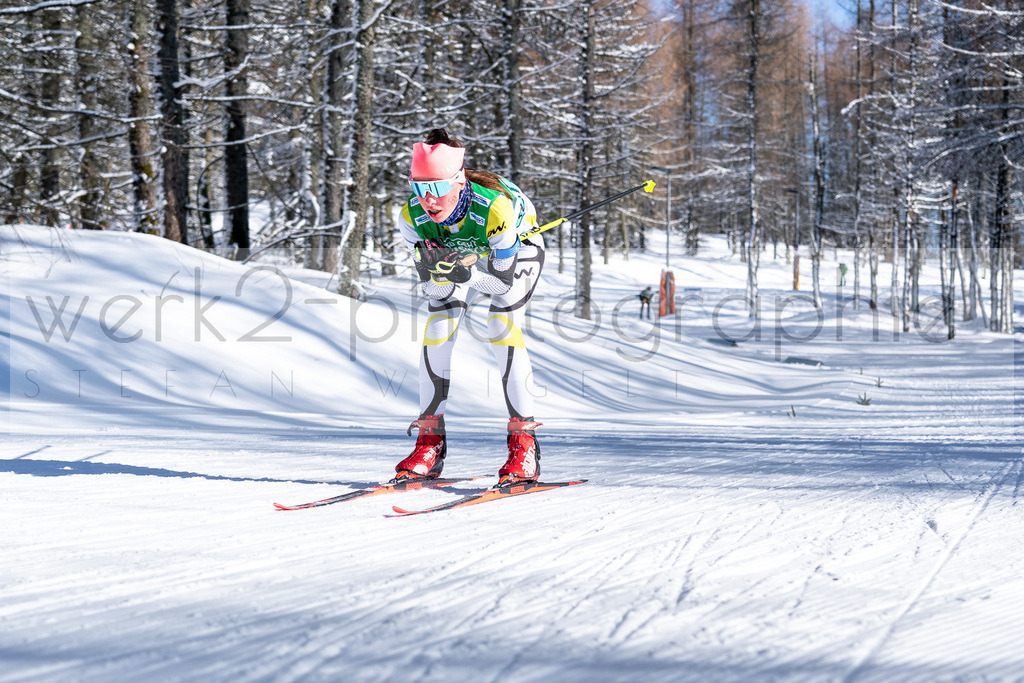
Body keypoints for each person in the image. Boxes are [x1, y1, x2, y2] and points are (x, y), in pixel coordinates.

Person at [395, 129, 545, 486]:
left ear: (458, 182)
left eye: (435, 189)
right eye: (418, 188)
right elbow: (434, 291)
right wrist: (440, 271)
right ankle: (430, 442)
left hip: (517, 247)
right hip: (469, 261)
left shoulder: (494, 208)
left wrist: (463, 273)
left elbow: (501, 284)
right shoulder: (411, 217)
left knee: (501, 325)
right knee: (438, 327)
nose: (427, 200)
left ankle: (524, 443)